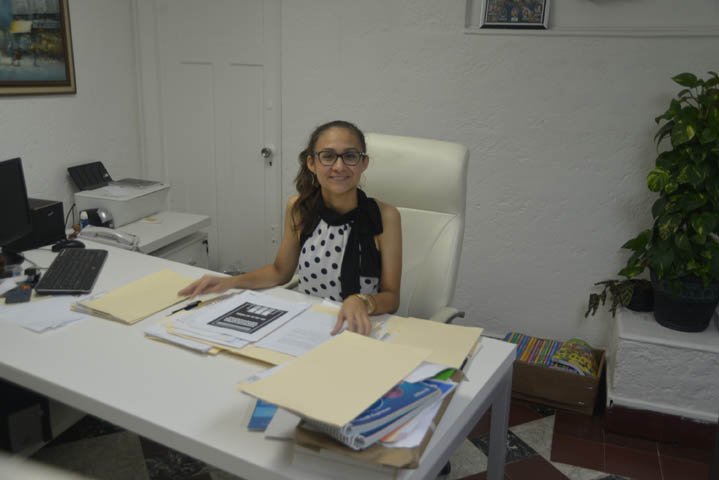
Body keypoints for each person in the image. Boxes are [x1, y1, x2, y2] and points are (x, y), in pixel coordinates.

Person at [178, 120, 402, 336]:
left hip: (362, 326)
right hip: (307, 323)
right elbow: (280, 272)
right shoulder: (300, 208)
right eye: (328, 156)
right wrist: (230, 282)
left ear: (364, 163)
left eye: (350, 156)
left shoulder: (385, 216)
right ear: (311, 163)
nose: (339, 166)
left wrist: (363, 301)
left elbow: (391, 298)